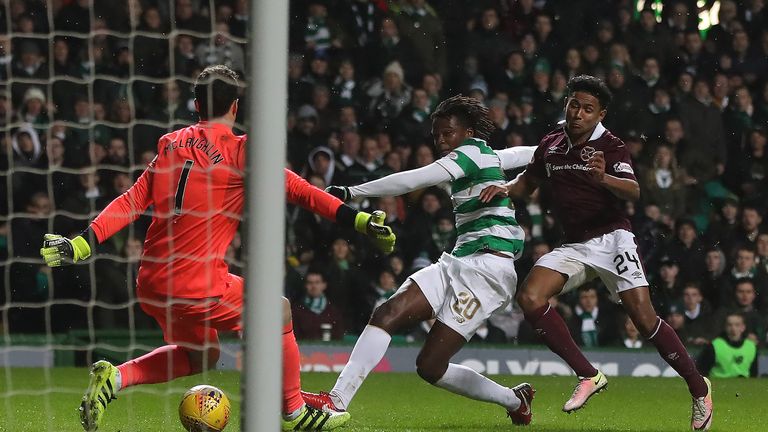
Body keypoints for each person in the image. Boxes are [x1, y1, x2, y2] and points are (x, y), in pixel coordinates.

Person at [39, 65, 396, 432]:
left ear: (196, 104)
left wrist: (83, 241)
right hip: (198, 282)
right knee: (280, 311)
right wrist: (359, 221)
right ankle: (294, 411)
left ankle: (114, 379)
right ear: (236, 107)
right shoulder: (243, 152)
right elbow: (301, 191)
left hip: (152, 282)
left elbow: (131, 201)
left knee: (203, 354)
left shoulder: (170, 144)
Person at [478, 75, 713, 430]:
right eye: (574, 104)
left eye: (588, 109)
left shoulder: (611, 146)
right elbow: (527, 183)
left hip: (613, 238)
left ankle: (699, 389)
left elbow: (633, 192)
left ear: (600, 114)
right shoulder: (552, 144)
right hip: (575, 245)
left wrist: (603, 178)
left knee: (644, 319)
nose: (578, 113)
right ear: (566, 103)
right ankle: (588, 375)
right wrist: (504, 188)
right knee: (529, 296)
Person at [302, 95, 537, 425]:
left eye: (448, 133)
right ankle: (336, 400)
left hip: (489, 271)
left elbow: (414, 178)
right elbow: (525, 154)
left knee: (430, 366)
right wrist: (556, 149)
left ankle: (513, 400)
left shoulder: (470, 153)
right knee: (388, 313)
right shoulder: (487, 156)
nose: (441, 141)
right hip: (459, 261)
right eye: (437, 135)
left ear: (468, 133)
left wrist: (352, 192)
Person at [698, 313, 759, 378]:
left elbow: (754, 374)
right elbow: (703, 371)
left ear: (743, 327)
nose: (733, 328)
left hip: (745, 384)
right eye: (729, 325)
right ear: (725, 327)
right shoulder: (714, 346)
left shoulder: (751, 347)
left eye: (737, 325)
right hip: (719, 383)